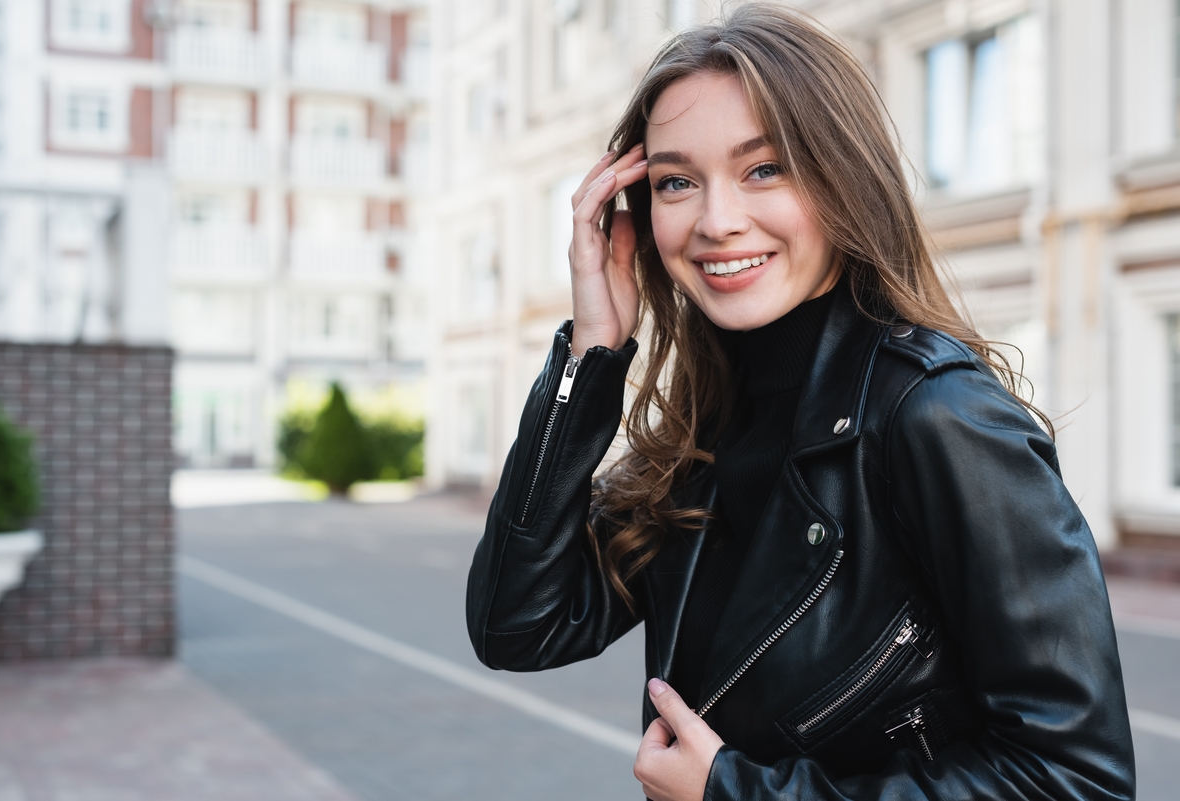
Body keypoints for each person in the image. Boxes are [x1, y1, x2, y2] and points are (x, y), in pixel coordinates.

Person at [465, 5, 1135, 800]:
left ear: (842, 177)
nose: (717, 221)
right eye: (677, 181)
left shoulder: (938, 416)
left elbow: (1075, 779)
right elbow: (519, 624)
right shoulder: (704, 430)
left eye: (764, 169)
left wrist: (735, 793)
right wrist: (591, 355)